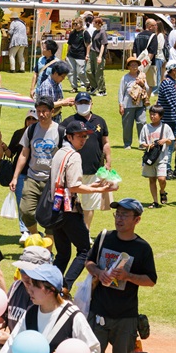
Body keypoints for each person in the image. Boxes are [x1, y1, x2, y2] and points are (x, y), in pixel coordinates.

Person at [79, 198, 157, 353]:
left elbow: (151, 280)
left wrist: (129, 276)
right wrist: (98, 272)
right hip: (99, 311)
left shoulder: (142, 248)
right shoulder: (105, 238)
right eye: (118, 214)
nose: (120, 218)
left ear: (137, 220)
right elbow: (89, 262)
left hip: (126, 315)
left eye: (125, 215)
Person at [49, 123, 112, 289]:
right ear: (69, 137)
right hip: (69, 209)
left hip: (55, 209)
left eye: (85, 136)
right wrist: (97, 189)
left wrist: (96, 188)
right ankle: (64, 287)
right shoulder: (74, 156)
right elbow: (74, 186)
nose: (83, 139)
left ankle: (50, 285)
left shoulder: (58, 153)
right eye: (80, 136)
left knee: (63, 254)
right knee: (85, 250)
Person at [9, 95, 67, 237]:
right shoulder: (31, 130)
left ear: (52, 111)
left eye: (44, 111)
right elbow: (24, 154)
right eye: (38, 110)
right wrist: (15, 177)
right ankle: (35, 235)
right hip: (32, 177)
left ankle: (48, 250)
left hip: (52, 181)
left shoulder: (60, 131)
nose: (41, 114)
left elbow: (66, 157)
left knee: (51, 216)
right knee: (26, 210)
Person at [63, 92, 113, 228]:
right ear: (75, 104)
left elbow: (105, 142)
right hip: (73, 170)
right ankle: (72, 231)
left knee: (89, 205)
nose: (83, 105)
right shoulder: (68, 122)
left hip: (94, 169)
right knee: (70, 204)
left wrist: (108, 162)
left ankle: (86, 232)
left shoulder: (99, 121)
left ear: (92, 103)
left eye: (86, 102)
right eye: (80, 103)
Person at [139, 105, 175, 208]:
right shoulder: (146, 127)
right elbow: (141, 143)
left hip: (162, 158)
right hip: (150, 158)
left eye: (154, 114)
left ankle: (162, 191)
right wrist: (147, 145)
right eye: (150, 114)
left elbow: (170, 140)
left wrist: (164, 140)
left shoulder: (165, 127)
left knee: (162, 179)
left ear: (160, 116)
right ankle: (155, 201)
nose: (152, 116)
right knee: (152, 180)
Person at [156, 61, 176, 176]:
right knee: (169, 145)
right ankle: (167, 170)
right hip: (168, 120)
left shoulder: (169, 83)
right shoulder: (168, 84)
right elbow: (172, 104)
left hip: (172, 119)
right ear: (173, 70)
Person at [118, 56, 149, 149]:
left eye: (136, 65)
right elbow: (121, 92)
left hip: (140, 104)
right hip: (128, 105)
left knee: (142, 122)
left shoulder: (142, 76)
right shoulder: (125, 78)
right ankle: (127, 143)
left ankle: (142, 143)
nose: (134, 67)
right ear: (128, 67)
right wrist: (121, 104)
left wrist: (142, 83)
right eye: (132, 65)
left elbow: (147, 89)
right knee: (127, 125)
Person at [132, 17, 162, 93]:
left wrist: (137, 63)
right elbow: (152, 53)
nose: (156, 27)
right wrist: (144, 65)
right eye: (155, 25)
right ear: (150, 26)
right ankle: (146, 101)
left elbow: (134, 50)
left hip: (138, 64)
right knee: (149, 85)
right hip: (149, 65)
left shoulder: (138, 35)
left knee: (138, 83)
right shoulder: (153, 36)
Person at [66, 17, 91, 92]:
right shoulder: (72, 33)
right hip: (71, 55)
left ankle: (88, 84)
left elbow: (88, 44)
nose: (74, 25)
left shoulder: (84, 33)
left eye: (76, 23)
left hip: (81, 55)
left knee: (80, 72)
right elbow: (69, 44)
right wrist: (67, 54)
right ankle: (74, 87)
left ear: (81, 24)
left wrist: (87, 55)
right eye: (73, 24)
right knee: (71, 72)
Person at [88, 16, 108, 96]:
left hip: (98, 53)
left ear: (98, 23)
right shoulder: (95, 31)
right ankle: (94, 86)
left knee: (98, 73)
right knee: (88, 70)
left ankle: (102, 90)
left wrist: (100, 56)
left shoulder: (102, 32)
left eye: (94, 22)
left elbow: (103, 45)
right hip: (92, 53)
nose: (93, 23)